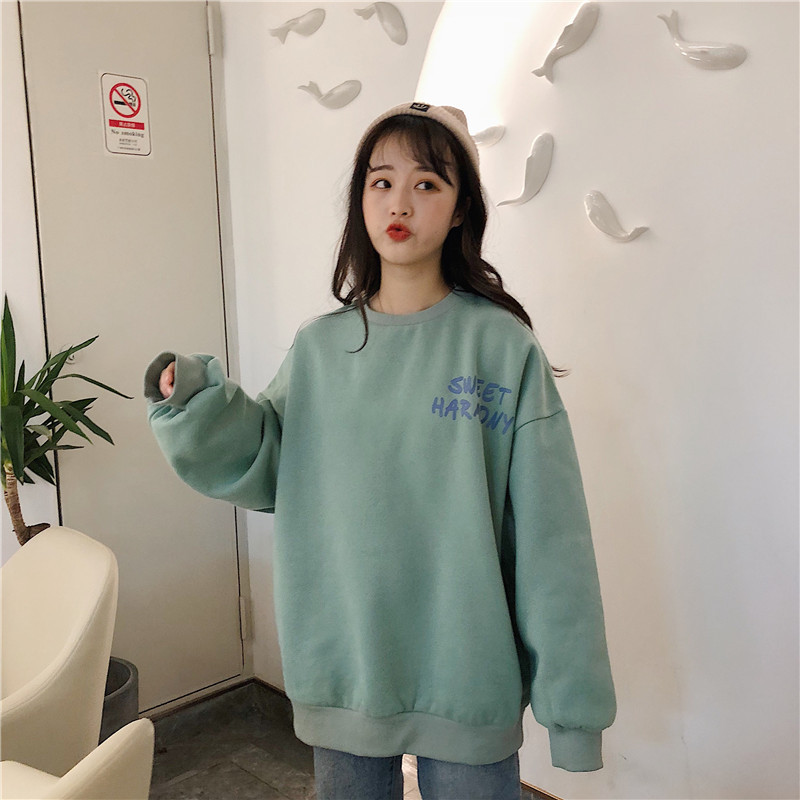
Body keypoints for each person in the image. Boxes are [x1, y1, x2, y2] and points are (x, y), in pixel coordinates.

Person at [143, 101, 616, 800]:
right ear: (361, 199)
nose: (400, 202)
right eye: (382, 181)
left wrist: (574, 715)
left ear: (460, 210)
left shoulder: (500, 347)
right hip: (346, 675)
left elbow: (554, 542)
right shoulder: (320, 348)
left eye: (427, 184)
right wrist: (195, 400)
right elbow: (267, 462)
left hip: (467, 679)